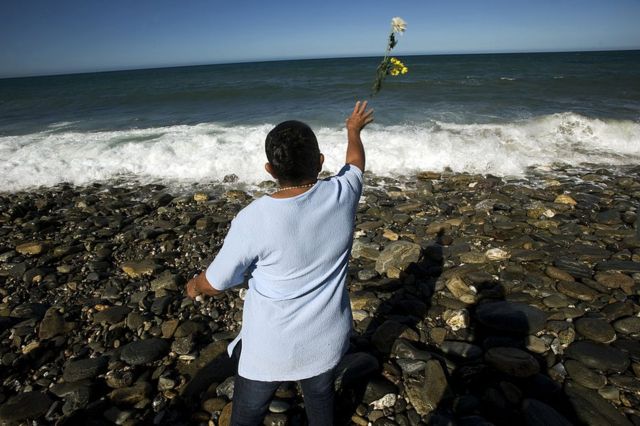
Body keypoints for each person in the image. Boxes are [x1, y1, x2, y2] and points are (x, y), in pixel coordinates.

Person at [185, 101, 374, 425]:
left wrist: (195, 286)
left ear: (269, 170)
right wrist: (353, 130)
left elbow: (216, 283)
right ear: (319, 162)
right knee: (320, 401)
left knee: (247, 414)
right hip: (326, 341)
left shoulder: (254, 218)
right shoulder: (342, 194)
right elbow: (356, 162)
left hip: (269, 349)